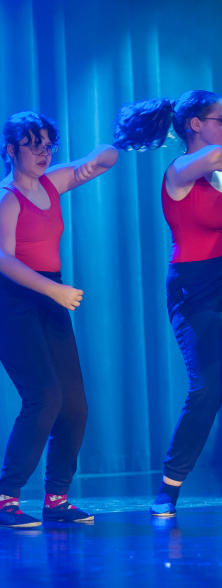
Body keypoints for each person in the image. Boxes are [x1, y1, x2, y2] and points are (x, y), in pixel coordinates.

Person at [113, 91, 222, 518]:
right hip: (196, 296)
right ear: (195, 124)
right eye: (221, 120)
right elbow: (215, 158)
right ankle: (170, 488)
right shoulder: (179, 172)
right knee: (207, 391)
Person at [0, 111, 118, 529]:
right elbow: (4, 259)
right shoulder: (8, 197)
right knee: (44, 397)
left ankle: (57, 499)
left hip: (50, 297)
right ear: (11, 150)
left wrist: (119, 140)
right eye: (34, 145)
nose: (44, 153)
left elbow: (104, 160)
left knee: (75, 405)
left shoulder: (53, 182)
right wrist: (53, 290)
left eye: (49, 145)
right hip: (13, 301)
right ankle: (5, 497)